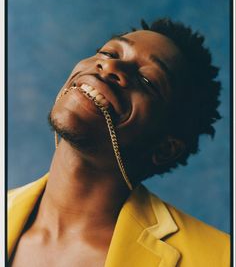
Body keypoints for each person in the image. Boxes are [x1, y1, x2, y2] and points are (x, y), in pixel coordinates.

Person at [8, 18, 230, 266]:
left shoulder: (219, 257)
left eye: (147, 81)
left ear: (166, 149)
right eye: (108, 52)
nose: (110, 65)